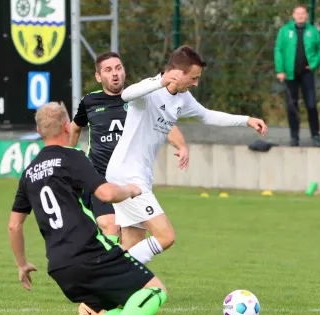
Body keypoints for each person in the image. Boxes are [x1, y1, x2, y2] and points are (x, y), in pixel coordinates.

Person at [8, 102, 168, 315]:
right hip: (89, 251)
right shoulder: (71, 157)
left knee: (119, 301)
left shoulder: (29, 173)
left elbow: (14, 225)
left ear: (38, 130)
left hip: (59, 266)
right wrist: (130, 190)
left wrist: (22, 264)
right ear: (66, 126)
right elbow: (105, 193)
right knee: (155, 290)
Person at [105, 45, 267, 266]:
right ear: (178, 74)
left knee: (132, 245)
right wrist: (159, 81)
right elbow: (126, 94)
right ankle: (108, 274)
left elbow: (208, 116)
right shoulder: (150, 91)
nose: (196, 83)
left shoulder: (184, 99)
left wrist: (246, 120)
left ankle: (111, 287)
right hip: (127, 176)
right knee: (165, 236)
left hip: (139, 176)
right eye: (193, 77)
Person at [70, 52, 189, 244]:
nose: (115, 74)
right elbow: (74, 127)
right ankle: (101, 266)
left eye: (118, 68)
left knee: (132, 241)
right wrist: (69, 156)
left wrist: (182, 146)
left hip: (131, 179)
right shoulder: (90, 102)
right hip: (100, 178)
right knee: (111, 225)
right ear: (98, 77)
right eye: (108, 70)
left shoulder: (140, 99)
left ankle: (115, 270)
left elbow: (166, 124)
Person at [274, 5, 320, 147]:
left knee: (311, 105)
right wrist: (280, 70)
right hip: (290, 75)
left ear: (306, 15)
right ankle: (294, 137)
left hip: (307, 73)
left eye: (303, 13)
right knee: (292, 106)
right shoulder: (285, 31)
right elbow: (278, 50)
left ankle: (315, 135)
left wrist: (314, 64)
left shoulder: (313, 31)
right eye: (298, 13)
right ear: (293, 15)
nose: (300, 16)